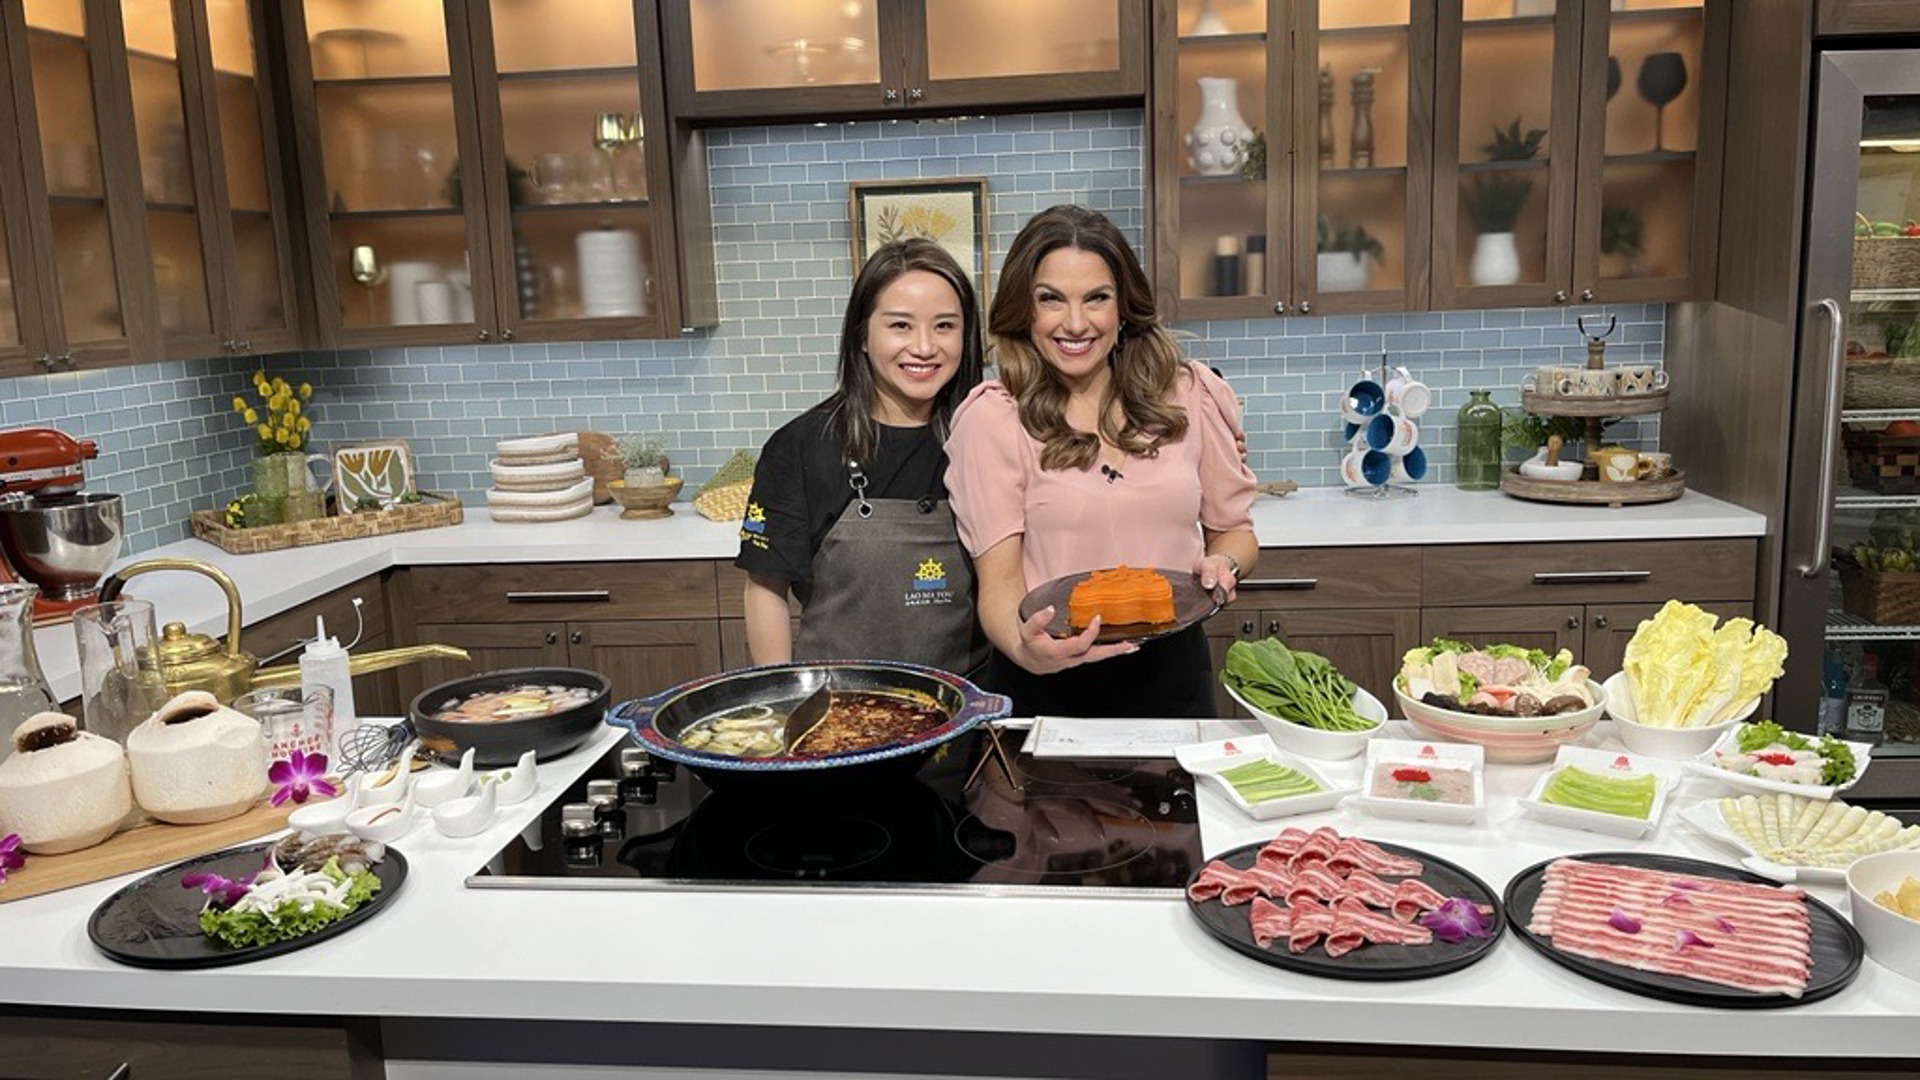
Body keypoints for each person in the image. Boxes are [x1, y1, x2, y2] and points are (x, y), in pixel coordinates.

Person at [944, 205, 1259, 718]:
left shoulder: (1188, 394)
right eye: (1051, 299)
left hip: (1174, 677)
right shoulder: (994, 418)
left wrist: (1223, 565)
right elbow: (999, 586)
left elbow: (1236, 533)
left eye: (1096, 298)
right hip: (1050, 686)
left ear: (1123, 307)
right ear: (1025, 309)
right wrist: (1029, 651)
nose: (1075, 323)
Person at [735, 238, 992, 677]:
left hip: (963, 711)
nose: (925, 347)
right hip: (837, 714)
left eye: (945, 326)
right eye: (900, 326)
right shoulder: (801, 446)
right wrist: (781, 697)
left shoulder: (986, 439)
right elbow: (765, 586)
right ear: (863, 335)